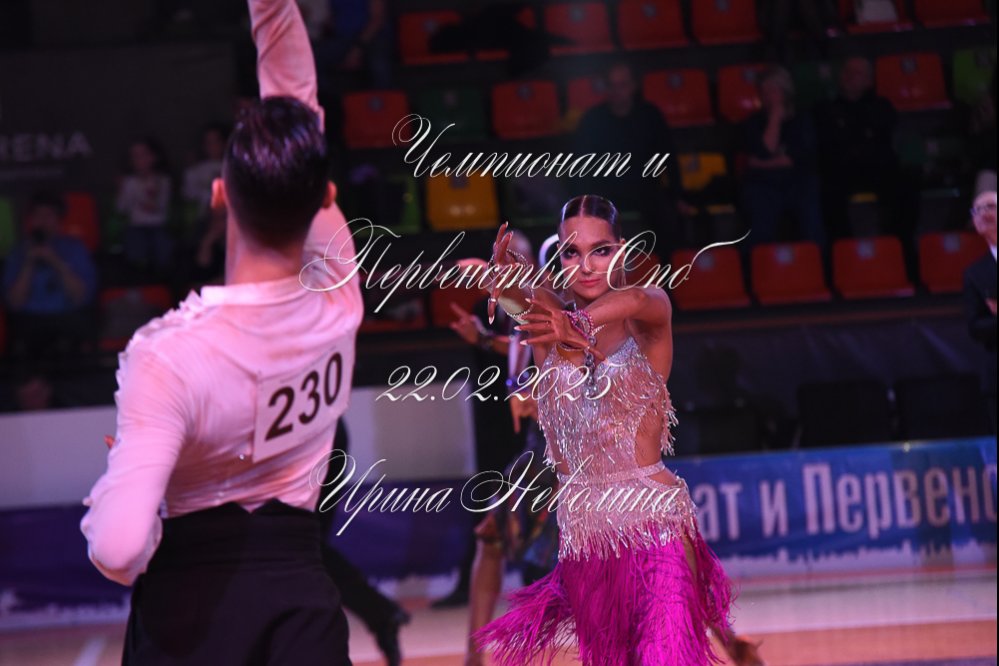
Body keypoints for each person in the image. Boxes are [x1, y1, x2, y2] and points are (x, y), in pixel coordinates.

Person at [80, 0, 363, 663]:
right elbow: (298, 109)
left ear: (218, 195)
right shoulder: (339, 294)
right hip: (303, 612)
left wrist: (125, 485)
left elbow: (118, 550)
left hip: (189, 621)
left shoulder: (167, 356)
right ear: (324, 197)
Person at [475, 196, 749, 665]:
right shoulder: (545, 319)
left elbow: (638, 299)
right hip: (585, 544)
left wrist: (576, 321)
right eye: (571, 252)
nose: (586, 266)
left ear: (621, 250)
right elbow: (512, 297)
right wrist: (500, 278)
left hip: (654, 530)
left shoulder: (647, 311)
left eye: (600, 250)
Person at [573, 62, 689, 249]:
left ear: (633, 86)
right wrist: (582, 205)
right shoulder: (592, 120)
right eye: (612, 85)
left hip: (645, 190)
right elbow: (582, 166)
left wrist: (678, 196)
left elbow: (668, 157)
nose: (617, 91)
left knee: (669, 219)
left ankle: (667, 266)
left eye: (622, 85)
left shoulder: (650, 116)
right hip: (607, 193)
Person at [815, 57, 909, 248]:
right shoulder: (826, 109)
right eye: (847, 72)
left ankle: (900, 247)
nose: (850, 76)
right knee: (825, 190)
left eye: (857, 73)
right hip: (841, 171)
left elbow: (883, 139)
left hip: (876, 168)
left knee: (905, 183)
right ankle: (842, 249)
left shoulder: (881, 106)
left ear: (869, 81)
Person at [3, 192, 98, 360]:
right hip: (28, 322)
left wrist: (56, 261)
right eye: (38, 215)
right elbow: (14, 302)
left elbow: (81, 297)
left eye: (49, 215)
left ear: (59, 220)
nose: (43, 221)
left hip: (68, 319)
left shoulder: (75, 248)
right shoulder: (18, 252)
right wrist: (28, 264)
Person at [740, 67, 825, 250]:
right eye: (764, 91)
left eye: (773, 90)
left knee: (812, 218)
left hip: (798, 182)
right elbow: (763, 153)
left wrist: (763, 163)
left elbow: (799, 159)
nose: (768, 96)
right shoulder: (753, 123)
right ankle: (757, 263)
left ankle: (818, 261)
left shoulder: (802, 120)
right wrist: (775, 119)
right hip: (764, 184)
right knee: (759, 219)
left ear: (785, 91)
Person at [963, 190, 997, 432]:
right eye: (977, 210)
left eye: (991, 207)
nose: (983, 214)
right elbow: (976, 327)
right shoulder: (975, 273)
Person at [116, 137, 173, 274]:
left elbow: (158, 206)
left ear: (153, 157)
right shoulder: (129, 182)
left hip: (158, 227)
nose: (139, 160)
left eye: (143, 155)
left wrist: (151, 191)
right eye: (135, 156)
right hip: (135, 227)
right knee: (135, 245)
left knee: (162, 245)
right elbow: (121, 208)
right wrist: (122, 189)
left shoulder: (163, 180)